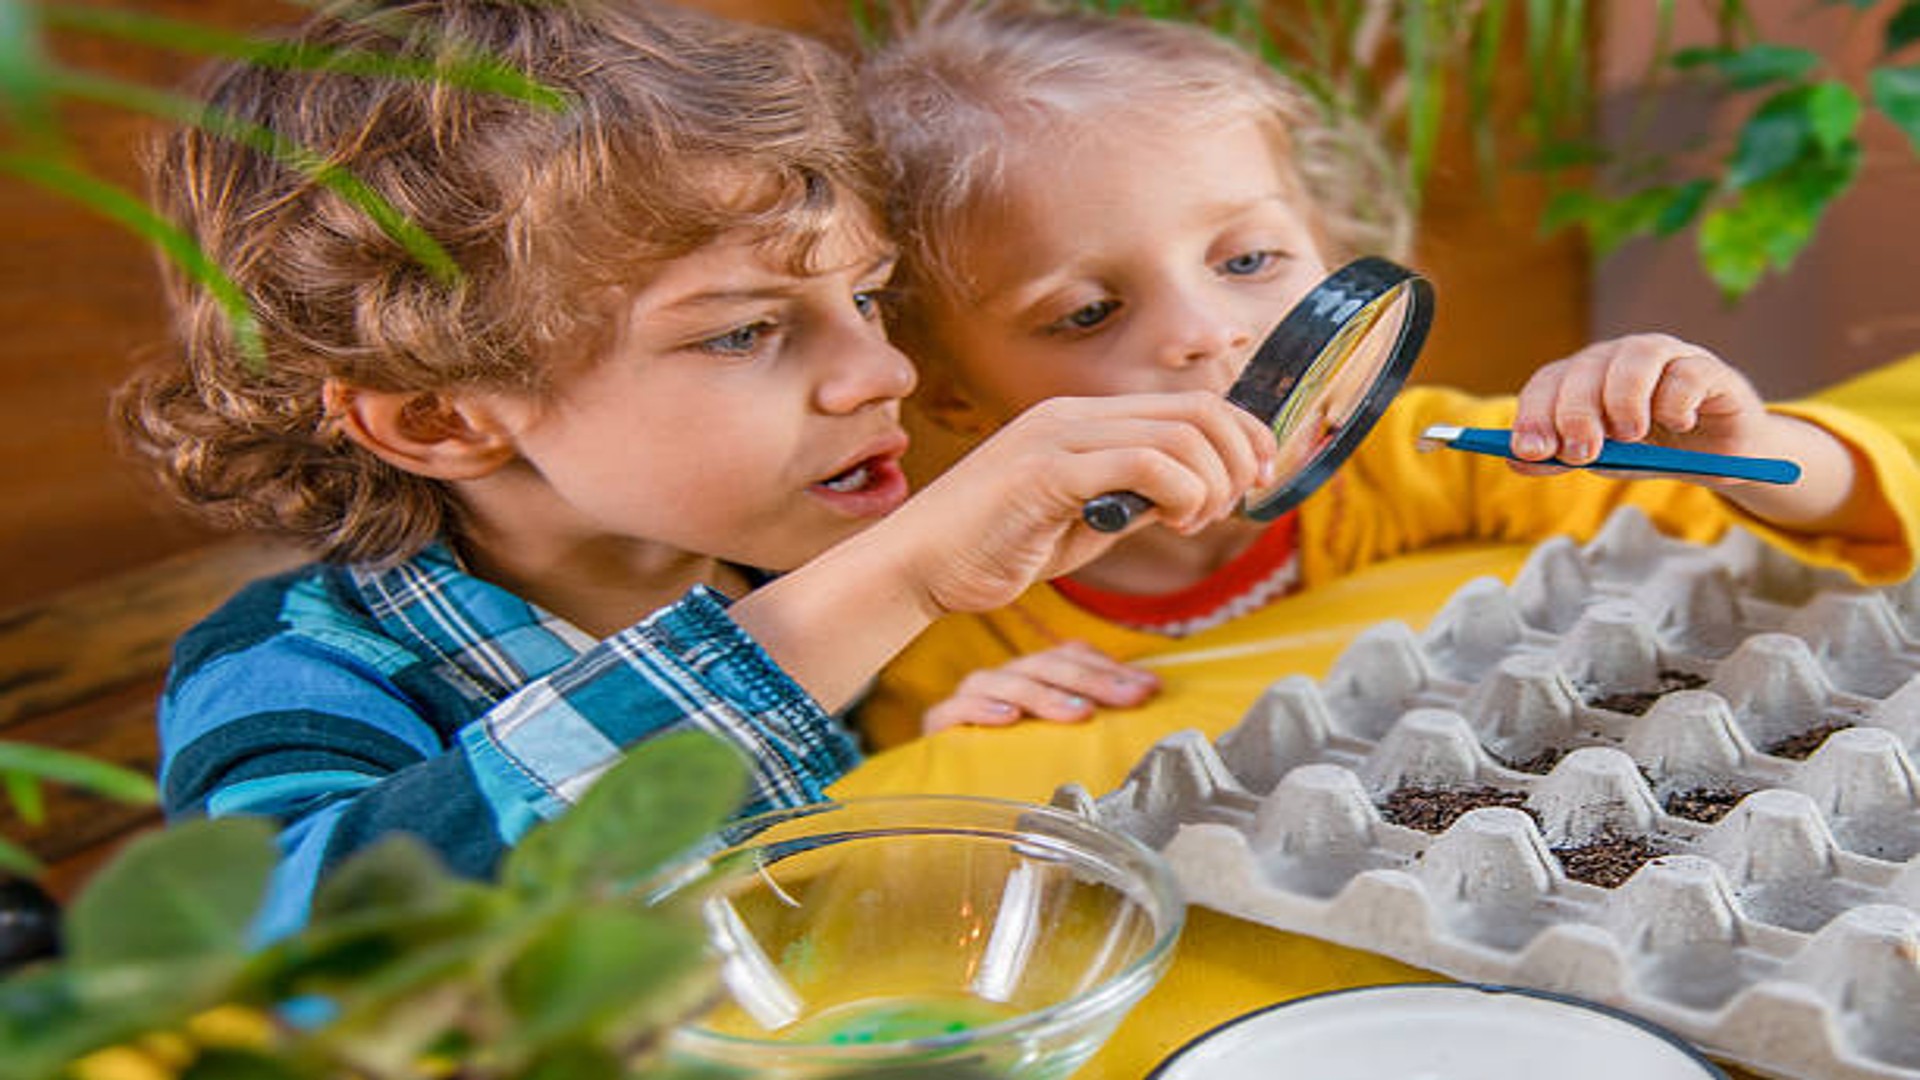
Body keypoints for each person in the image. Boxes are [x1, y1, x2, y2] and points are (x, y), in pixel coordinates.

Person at [114, 0, 1276, 938]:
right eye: (742, 332)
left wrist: (922, 753)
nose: (880, 372)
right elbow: (294, 953)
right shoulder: (289, 671)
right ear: (434, 420)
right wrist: (894, 586)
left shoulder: (755, 568)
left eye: (865, 297)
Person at [854, 3, 1920, 745]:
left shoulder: (1421, 454)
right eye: (1086, 312)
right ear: (948, 391)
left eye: (1250, 260)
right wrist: (975, 732)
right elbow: (910, 792)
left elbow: (1794, 522)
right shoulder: (944, 602)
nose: (1206, 334)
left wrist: (1750, 448)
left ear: (1324, 237)